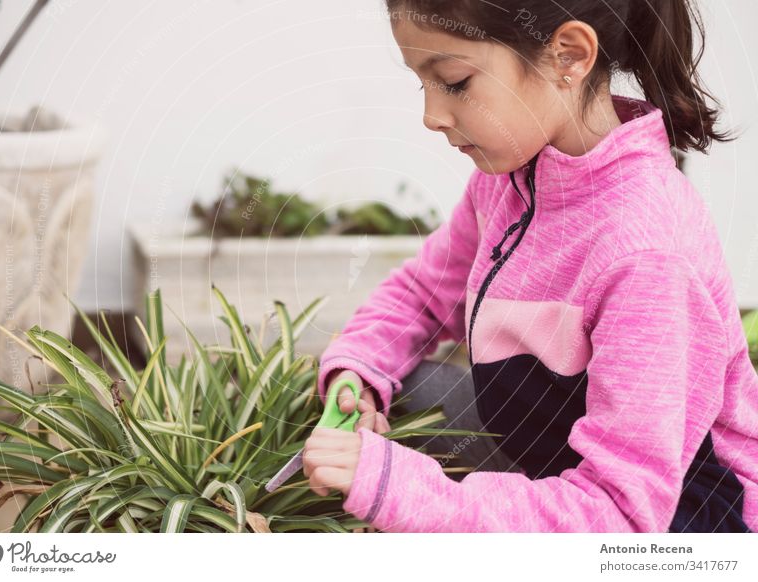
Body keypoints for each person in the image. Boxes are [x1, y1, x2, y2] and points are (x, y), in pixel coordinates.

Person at [300, 0, 757, 532]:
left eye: (454, 80)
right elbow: (425, 293)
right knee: (402, 396)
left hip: (680, 523)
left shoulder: (645, 254)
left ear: (568, 56)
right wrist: (359, 369)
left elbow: (622, 516)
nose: (431, 116)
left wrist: (405, 492)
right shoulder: (510, 178)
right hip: (548, 459)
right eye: (420, 82)